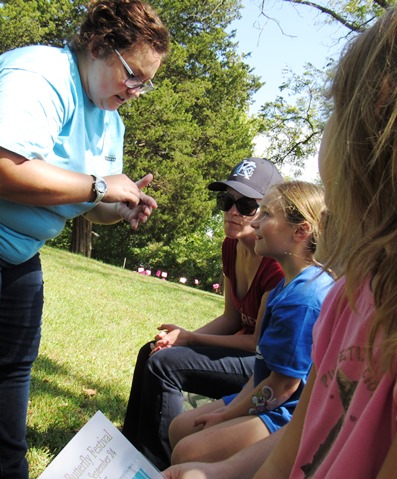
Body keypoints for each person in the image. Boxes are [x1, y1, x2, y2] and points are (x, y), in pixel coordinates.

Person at [0, 1, 169, 477]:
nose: (137, 91)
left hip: (18, 257)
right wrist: (99, 185)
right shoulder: (41, 75)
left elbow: (90, 206)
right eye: (133, 75)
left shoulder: (109, 119)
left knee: (12, 377)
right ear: (98, 46)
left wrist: (120, 206)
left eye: (146, 83)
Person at [247, 7, 397, 479]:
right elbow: (290, 451)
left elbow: (283, 384)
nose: (248, 221)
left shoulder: (318, 295)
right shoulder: (350, 296)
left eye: (333, 106)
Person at [122, 157, 285, 470]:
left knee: (164, 366)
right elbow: (231, 319)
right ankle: (129, 451)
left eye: (246, 205)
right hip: (246, 352)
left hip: (262, 368)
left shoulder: (274, 264)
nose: (233, 212)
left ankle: (161, 466)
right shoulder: (230, 245)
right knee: (153, 351)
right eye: (227, 201)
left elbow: (255, 342)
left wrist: (190, 338)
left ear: (268, 210)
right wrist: (180, 338)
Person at [166, 181, 334, 466]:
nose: (256, 223)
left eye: (266, 214)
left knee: (188, 451)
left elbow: (282, 388)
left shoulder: (303, 299)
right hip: (269, 395)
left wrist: (225, 417)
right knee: (179, 428)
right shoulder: (286, 285)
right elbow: (261, 373)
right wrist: (226, 415)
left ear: (301, 230)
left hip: (287, 415)